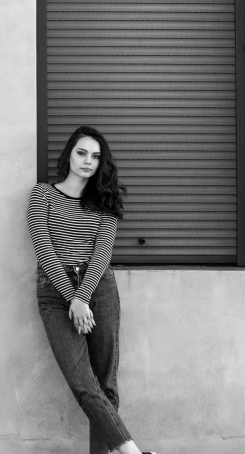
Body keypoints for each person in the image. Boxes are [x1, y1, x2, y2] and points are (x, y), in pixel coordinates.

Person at [27, 125, 155, 454]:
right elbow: (44, 249)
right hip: (56, 294)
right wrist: (72, 298)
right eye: (82, 153)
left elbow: (102, 253)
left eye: (95, 157)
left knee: (106, 383)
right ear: (68, 154)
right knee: (84, 383)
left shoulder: (104, 202)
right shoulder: (42, 194)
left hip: (99, 289)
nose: (88, 161)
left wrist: (83, 296)